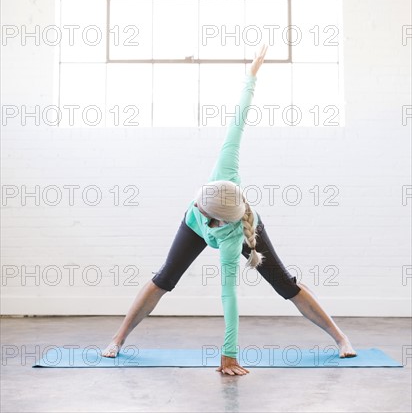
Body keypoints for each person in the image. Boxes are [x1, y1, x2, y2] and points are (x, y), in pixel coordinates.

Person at [102, 44, 357, 375]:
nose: (194, 203)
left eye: (200, 206)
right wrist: (251, 76)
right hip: (198, 227)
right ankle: (119, 339)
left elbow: (229, 296)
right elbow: (239, 119)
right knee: (164, 278)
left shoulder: (232, 238)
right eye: (199, 198)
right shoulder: (224, 171)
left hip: (244, 228)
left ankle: (340, 339)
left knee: (286, 285)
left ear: (216, 219)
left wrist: (229, 353)